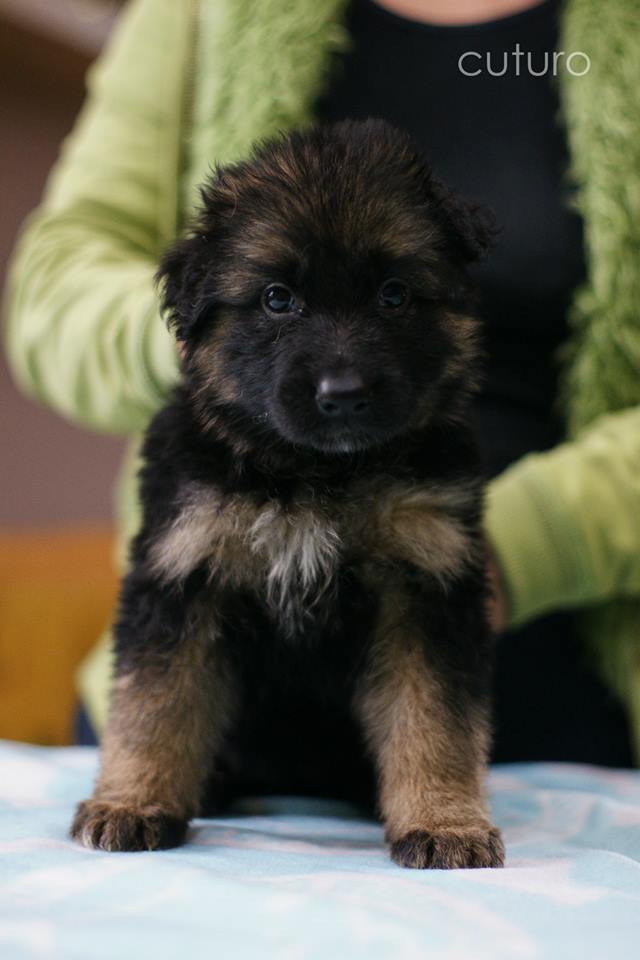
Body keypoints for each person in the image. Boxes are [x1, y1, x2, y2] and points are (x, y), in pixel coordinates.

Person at [5, 0, 640, 765]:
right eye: (280, 298)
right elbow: (52, 288)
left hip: (541, 697)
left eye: (394, 297)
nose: (341, 373)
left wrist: (532, 542)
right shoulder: (198, 9)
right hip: (203, 709)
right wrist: (209, 336)